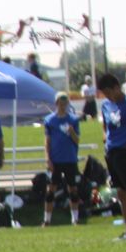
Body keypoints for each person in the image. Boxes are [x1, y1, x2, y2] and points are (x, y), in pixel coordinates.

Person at [94, 72, 126, 241]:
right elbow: (105, 126)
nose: (108, 96)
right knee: (121, 194)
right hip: (112, 153)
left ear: (117, 87)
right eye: (105, 94)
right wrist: (106, 139)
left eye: (109, 92)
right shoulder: (106, 105)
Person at [42, 92, 82, 227]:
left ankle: (75, 219)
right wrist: (48, 158)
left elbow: (77, 140)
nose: (63, 105)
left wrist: (72, 132)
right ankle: (47, 220)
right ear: (56, 103)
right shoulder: (50, 120)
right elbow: (47, 141)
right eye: (61, 102)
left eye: (65, 103)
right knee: (50, 190)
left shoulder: (73, 120)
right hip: (56, 159)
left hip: (70, 158)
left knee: (73, 189)